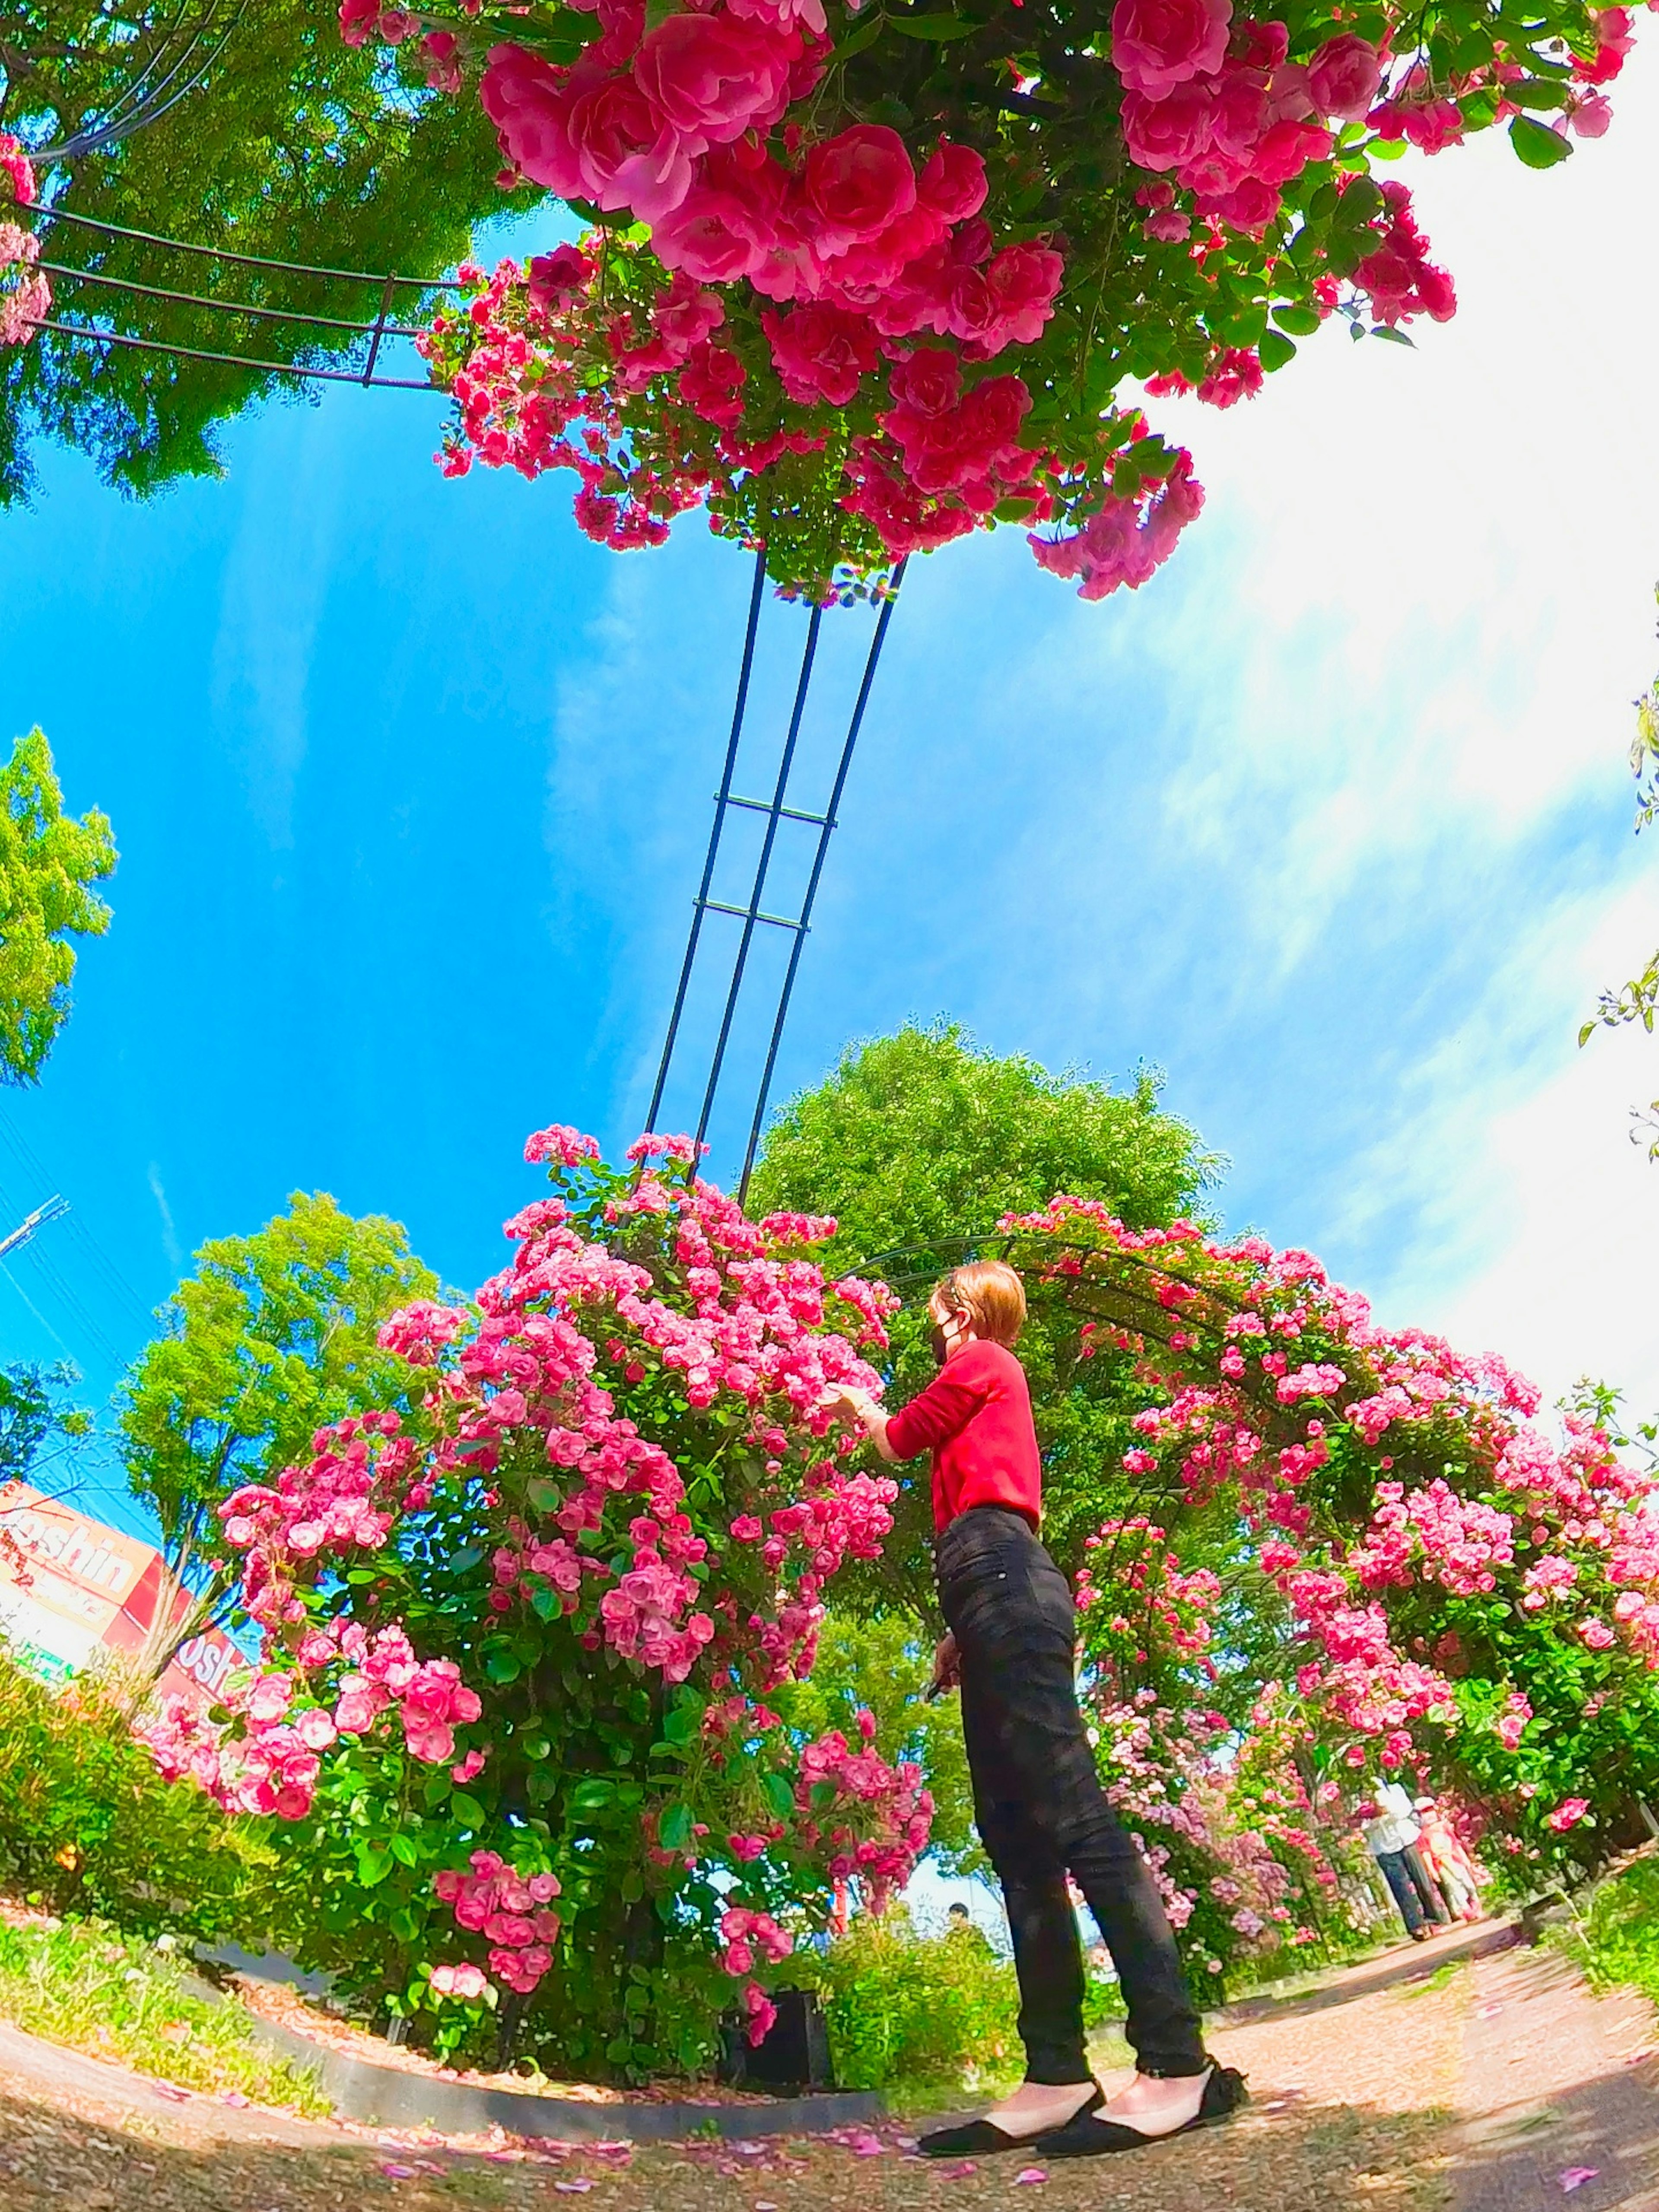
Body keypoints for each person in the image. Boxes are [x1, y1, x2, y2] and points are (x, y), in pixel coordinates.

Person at [823, 1261, 1245, 2161]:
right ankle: (1056, 2072)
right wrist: (963, 1632)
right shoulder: (989, 1390)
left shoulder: (985, 1362)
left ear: (962, 1309)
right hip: (988, 1591)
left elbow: (899, 1440)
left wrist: (855, 1404)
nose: (927, 1318)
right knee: (1014, 1834)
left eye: (935, 1305)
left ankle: (1178, 2061)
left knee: (1075, 1816)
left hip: (1001, 1576)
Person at [1360, 1779, 1448, 1941]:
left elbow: (1403, 1811)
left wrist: (1383, 1815)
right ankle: (1416, 1926)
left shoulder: (1395, 1790)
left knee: (1423, 1882)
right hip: (1384, 1848)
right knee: (1402, 1889)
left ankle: (1434, 1919)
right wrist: (1379, 1816)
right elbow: (1364, 1826)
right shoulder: (1361, 1801)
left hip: (1407, 1840)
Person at [1412, 1798, 1481, 1923]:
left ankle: (1475, 1902)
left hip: (1456, 1860)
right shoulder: (1423, 1836)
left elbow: (1456, 1844)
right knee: (1453, 1886)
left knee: (1468, 1883)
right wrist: (1432, 1870)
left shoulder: (1445, 1828)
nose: (1429, 1815)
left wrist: (1466, 1859)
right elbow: (1426, 1854)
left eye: (1430, 1810)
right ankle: (1466, 1910)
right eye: (1424, 1812)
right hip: (1442, 1865)